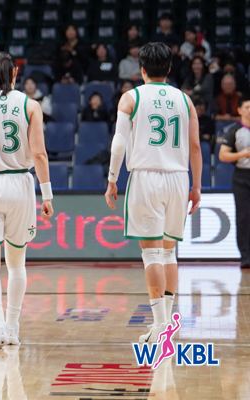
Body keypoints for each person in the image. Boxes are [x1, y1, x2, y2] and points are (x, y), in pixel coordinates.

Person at [105, 42, 202, 344]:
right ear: (169, 68)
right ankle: (167, 323)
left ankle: (160, 324)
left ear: (142, 69)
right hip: (178, 178)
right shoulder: (185, 99)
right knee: (169, 252)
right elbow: (195, 146)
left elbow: (119, 142)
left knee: (151, 254)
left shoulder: (131, 97)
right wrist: (197, 186)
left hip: (146, 177)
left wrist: (112, 179)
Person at [0, 52, 54, 349]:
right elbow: (39, 154)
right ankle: (13, 328)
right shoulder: (31, 105)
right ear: (16, 72)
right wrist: (47, 194)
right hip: (19, 183)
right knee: (16, 264)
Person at [218, 94, 250, 268]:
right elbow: (223, 155)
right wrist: (242, 154)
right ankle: (246, 256)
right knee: (243, 217)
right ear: (239, 110)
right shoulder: (234, 130)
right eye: (247, 107)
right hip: (242, 177)